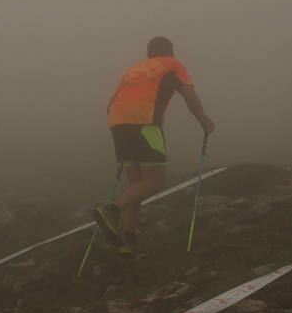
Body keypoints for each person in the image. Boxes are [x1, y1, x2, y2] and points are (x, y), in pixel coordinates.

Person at [92, 37, 214, 257]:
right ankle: (110, 212)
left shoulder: (133, 70)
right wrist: (203, 120)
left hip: (118, 122)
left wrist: (123, 130)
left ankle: (129, 240)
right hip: (145, 122)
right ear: (170, 52)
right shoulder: (172, 65)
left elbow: (111, 102)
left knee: (136, 185)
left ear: (149, 53)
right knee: (155, 180)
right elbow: (188, 92)